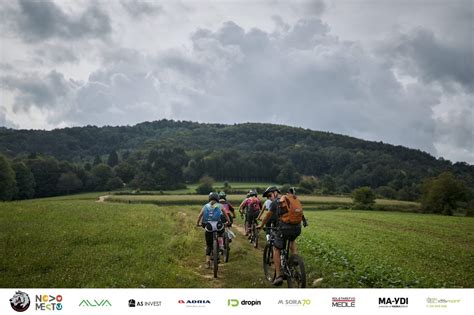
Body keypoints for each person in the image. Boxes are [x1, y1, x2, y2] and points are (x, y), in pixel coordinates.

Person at [257, 186, 306, 286]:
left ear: (275, 193)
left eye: (270, 195)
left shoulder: (277, 202)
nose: (269, 198)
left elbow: (267, 216)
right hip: (297, 228)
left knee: (276, 248)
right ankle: (294, 260)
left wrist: (261, 225)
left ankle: (279, 275)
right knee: (292, 240)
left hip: (285, 229)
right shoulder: (290, 199)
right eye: (267, 197)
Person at [196, 192, 230, 268]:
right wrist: (228, 221)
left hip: (209, 227)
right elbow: (225, 214)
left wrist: (197, 224)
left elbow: (200, 216)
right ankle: (221, 246)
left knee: (208, 245)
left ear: (209, 198)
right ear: (217, 198)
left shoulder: (205, 206)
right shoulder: (220, 205)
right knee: (221, 233)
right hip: (218, 226)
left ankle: (207, 261)